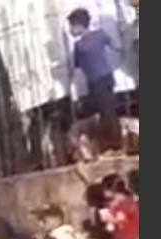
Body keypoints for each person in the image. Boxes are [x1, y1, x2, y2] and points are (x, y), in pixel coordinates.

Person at [67, 8, 121, 154]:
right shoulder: (100, 34)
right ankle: (113, 142)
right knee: (108, 111)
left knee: (105, 112)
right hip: (107, 77)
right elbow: (115, 45)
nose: (70, 30)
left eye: (71, 26)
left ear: (78, 26)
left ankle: (114, 143)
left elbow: (76, 66)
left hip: (96, 81)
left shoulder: (79, 46)